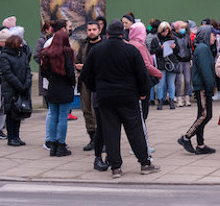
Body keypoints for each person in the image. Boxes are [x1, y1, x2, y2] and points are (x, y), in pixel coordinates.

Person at [81, 20, 160, 179]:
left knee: (111, 132)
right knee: (135, 130)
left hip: (105, 97)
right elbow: (142, 74)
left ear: (108, 34)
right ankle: (145, 163)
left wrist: (96, 88)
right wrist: (143, 92)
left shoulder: (97, 50)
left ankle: (116, 167)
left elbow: (86, 75)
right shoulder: (131, 50)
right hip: (128, 96)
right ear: (123, 34)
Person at [179, 25, 218, 155]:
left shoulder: (204, 48)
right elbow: (205, 70)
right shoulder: (202, 49)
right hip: (202, 86)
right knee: (204, 115)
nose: (215, 37)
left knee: (203, 115)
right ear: (207, 35)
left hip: (202, 86)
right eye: (213, 35)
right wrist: (209, 87)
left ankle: (200, 145)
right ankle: (186, 137)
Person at [40, 29, 76, 157]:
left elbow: (43, 71)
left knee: (53, 115)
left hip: (52, 87)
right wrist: (72, 83)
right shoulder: (67, 53)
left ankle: (52, 145)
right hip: (65, 87)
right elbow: (71, 73)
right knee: (62, 118)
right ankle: (61, 145)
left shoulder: (47, 53)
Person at [0, 35, 32, 146]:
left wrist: (27, 83)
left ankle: (16, 136)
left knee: (19, 113)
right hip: (11, 89)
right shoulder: (5, 56)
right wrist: (20, 86)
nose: (22, 46)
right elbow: (8, 74)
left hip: (21, 88)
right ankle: (11, 137)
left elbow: (27, 69)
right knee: (11, 114)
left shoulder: (22, 55)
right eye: (20, 44)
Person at [75, 21, 103, 152]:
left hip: (100, 82)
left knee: (98, 111)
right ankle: (92, 139)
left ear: (99, 30)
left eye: (94, 29)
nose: (91, 32)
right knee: (86, 110)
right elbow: (78, 61)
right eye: (89, 30)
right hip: (85, 82)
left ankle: (102, 141)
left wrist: (85, 66)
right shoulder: (84, 45)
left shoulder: (104, 45)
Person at [154, 22, 180, 110]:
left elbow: (178, 51)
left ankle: (171, 100)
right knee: (161, 83)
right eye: (163, 32)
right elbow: (152, 51)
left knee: (171, 83)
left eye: (167, 31)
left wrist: (174, 47)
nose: (165, 33)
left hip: (171, 63)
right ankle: (160, 100)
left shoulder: (173, 38)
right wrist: (160, 48)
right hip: (161, 63)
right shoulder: (156, 39)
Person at [174, 21, 194, 107]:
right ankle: (179, 97)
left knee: (187, 80)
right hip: (178, 60)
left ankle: (186, 97)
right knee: (179, 81)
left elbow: (189, 47)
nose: (183, 29)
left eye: (184, 28)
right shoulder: (174, 37)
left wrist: (191, 58)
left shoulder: (187, 37)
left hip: (186, 60)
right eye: (181, 27)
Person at [34, 21, 54, 107]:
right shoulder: (42, 41)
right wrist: (45, 64)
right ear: (46, 30)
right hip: (46, 73)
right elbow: (36, 56)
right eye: (51, 28)